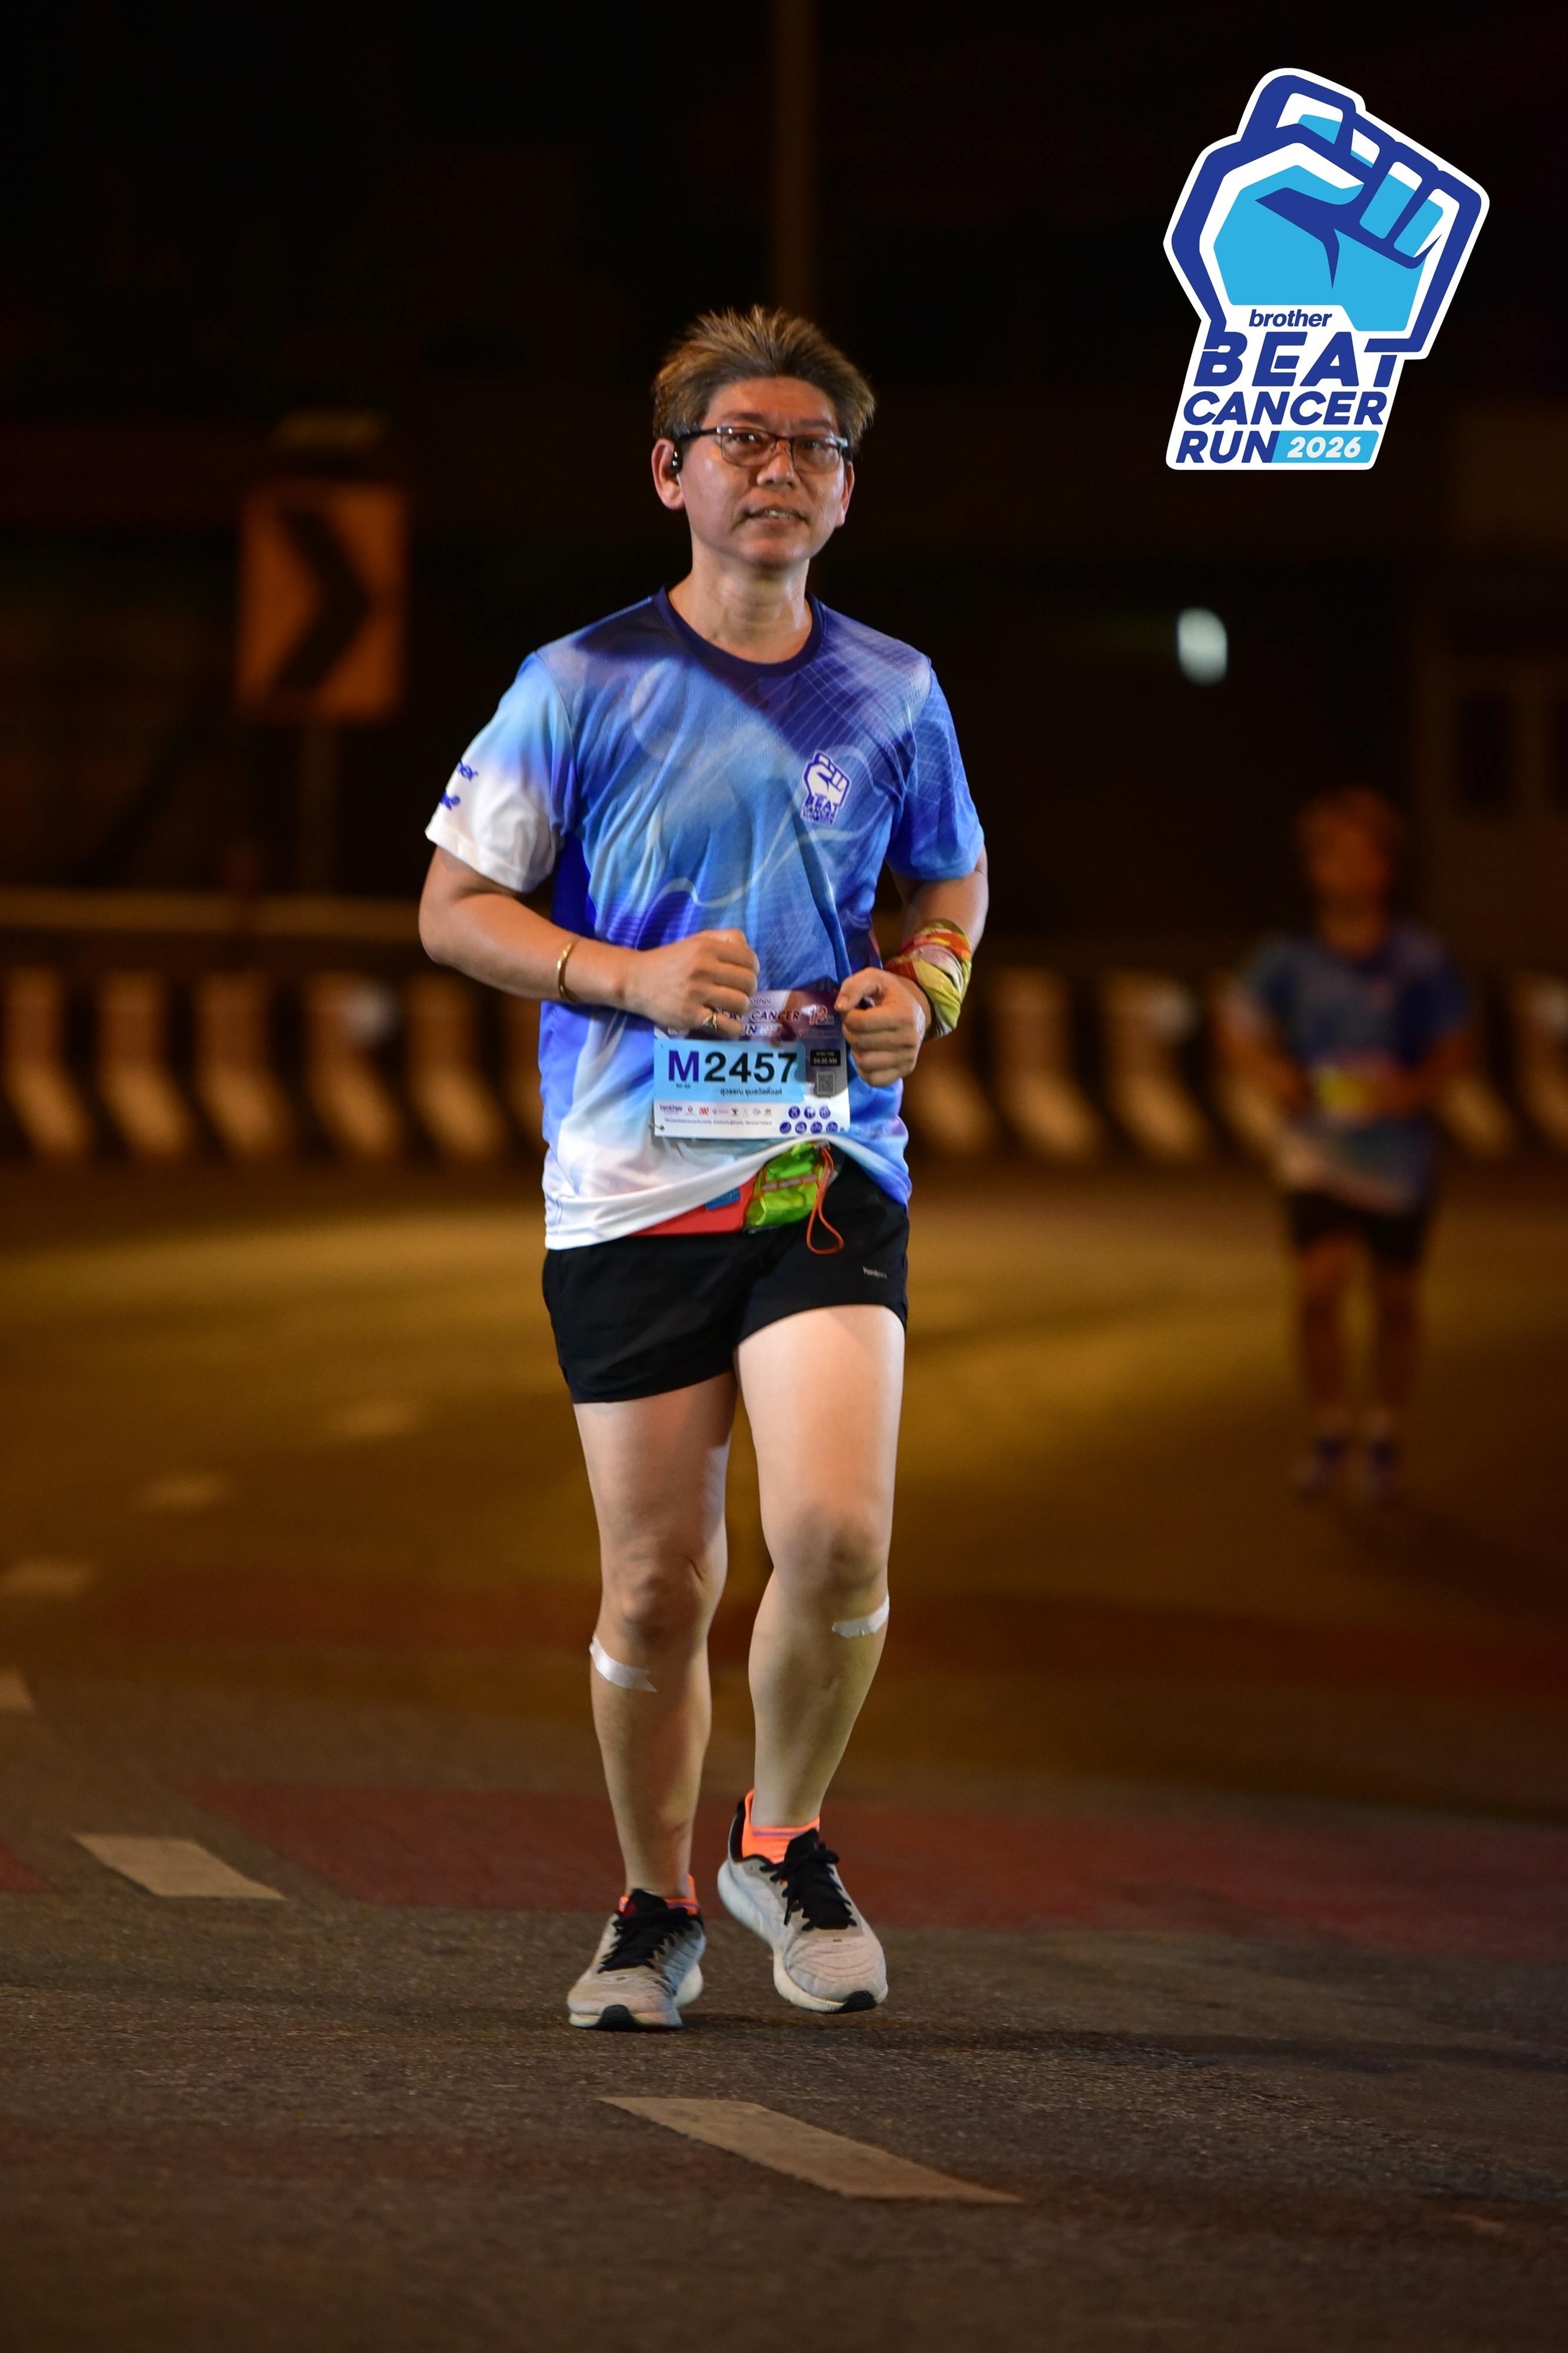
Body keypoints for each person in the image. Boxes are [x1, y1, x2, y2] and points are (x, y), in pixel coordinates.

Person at [419, 306, 987, 2028]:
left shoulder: (893, 688)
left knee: (833, 1534)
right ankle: (650, 1906)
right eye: (741, 439)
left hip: (819, 1158)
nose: (775, 469)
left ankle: (781, 1839)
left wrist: (924, 990)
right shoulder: (576, 682)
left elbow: (947, 885)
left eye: (811, 446)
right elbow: (453, 909)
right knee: (659, 1587)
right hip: (627, 1176)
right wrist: (628, 978)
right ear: (669, 473)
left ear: (845, 489)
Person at [1220, 787, 1470, 1501]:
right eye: (1332, 856)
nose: (1347, 869)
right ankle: (1329, 1427)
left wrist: (1412, 1090)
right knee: (1318, 1288)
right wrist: (1273, 1074)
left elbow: (1454, 1044)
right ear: (1312, 869)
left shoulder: (1418, 959)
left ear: (1386, 867)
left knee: (1395, 1299)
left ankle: (1384, 1429)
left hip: (1397, 1159)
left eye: (1363, 855)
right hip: (1316, 1152)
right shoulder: (1289, 956)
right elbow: (1234, 1023)